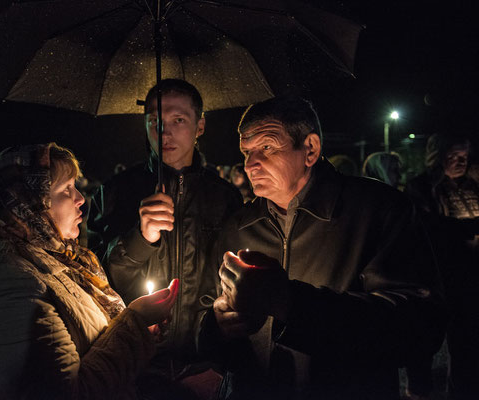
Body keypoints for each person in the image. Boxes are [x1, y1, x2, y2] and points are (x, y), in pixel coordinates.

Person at [198, 97, 447, 399]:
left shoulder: (378, 211)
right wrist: (218, 323)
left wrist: (292, 304)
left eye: (267, 148)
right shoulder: (238, 227)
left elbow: (418, 328)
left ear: (311, 149)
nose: (251, 164)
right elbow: (210, 315)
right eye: (247, 152)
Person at [0, 143, 179, 399]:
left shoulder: (59, 260)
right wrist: (134, 324)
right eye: (66, 189)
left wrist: (141, 329)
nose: (80, 198)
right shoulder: (3, 286)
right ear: (28, 204)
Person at [89, 79, 242, 395]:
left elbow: (228, 282)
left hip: (204, 366)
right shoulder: (113, 193)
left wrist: (215, 350)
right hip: (135, 367)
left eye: (178, 120)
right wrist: (140, 239)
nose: (165, 132)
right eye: (155, 122)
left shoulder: (225, 198)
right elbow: (96, 280)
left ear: (200, 126)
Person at [405, 134, 479, 400]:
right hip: (434, 277)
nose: (460, 162)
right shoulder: (421, 187)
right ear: (438, 156)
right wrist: (468, 229)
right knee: (424, 341)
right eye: (454, 156)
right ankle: (419, 392)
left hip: (469, 278)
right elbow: (426, 228)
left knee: (466, 343)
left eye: (464, 157)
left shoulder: (473, 185)